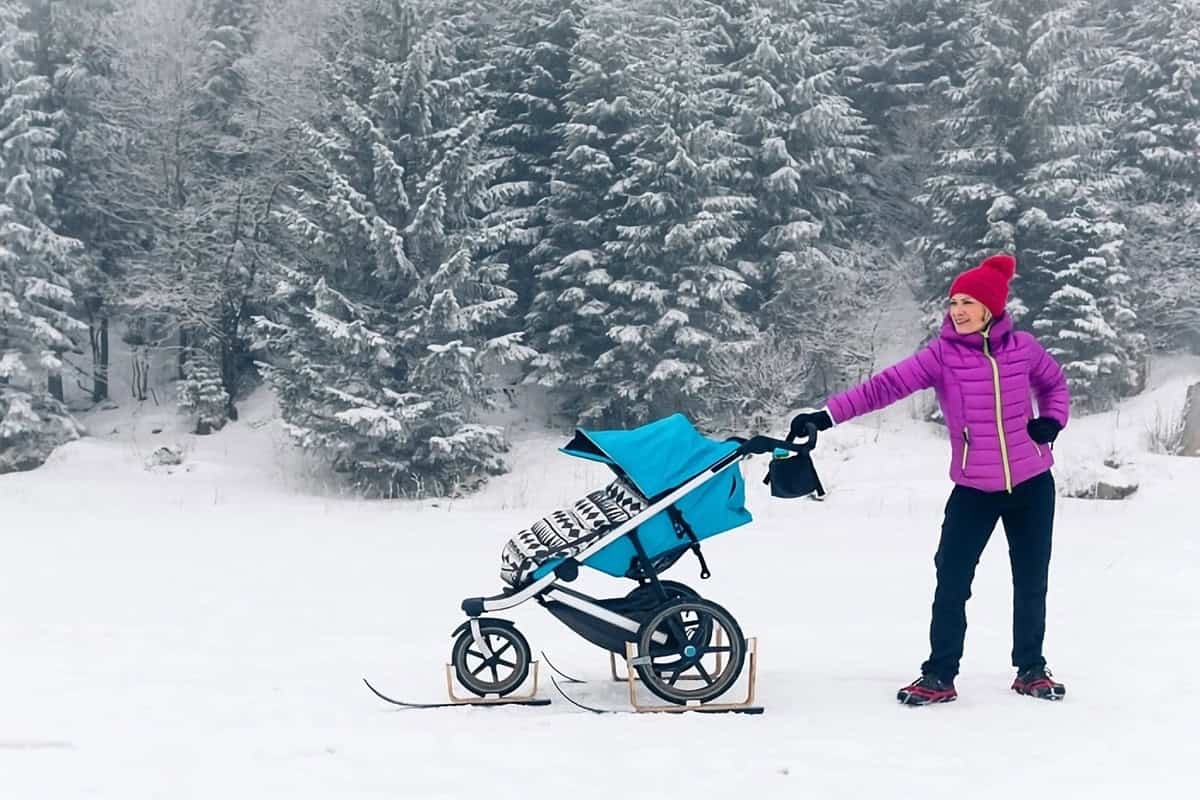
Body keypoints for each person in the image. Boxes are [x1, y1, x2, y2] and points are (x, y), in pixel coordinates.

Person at [790, 253, 1070, 706]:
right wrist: (824, 417)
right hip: (974, 489)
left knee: (1031, 579)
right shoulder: (942, 355)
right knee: (953, 579)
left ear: (990, 308)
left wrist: (1052, 422)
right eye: (953, 301)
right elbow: (883, 387)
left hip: (1033, 484)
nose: (956, 310)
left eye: (967, 302)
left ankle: (1031, 668)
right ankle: (939, 674)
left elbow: (1055, 386)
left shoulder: (1024, 349)